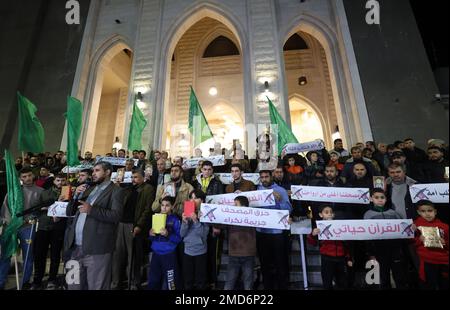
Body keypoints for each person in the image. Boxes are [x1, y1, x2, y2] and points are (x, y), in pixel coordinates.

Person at [65, 162, 125, 290]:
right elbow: (69, 212)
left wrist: (91, 210)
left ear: (108, 172)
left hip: (97, 249)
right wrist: (75, 196)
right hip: (75, 248)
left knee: (96, 286)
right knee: (73, 285)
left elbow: (116, 216)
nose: (93, 174)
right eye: (93, 171)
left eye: (97, 170)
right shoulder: (89, 189)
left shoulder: (116, 191)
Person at [0, 167, 44, 290]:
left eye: (29, 175)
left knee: (28, 256)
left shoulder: (40, 191)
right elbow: (5, 209)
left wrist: (31, 218)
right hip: (11, 227)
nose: (27, 178)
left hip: (28, 228)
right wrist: (11, 223)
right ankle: (1, 282)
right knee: (5, 255)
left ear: (33, 175)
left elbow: (42, 210)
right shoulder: (13, 191)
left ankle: (25, 282)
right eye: (24, 177)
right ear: (20, 178)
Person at [111, 169, 155, 290]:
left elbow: (147, 209)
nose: (133, 179)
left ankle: (134, 283)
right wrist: (117, 187)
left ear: (142, 178)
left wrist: (139, 225)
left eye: (136, 177)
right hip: (121, 224)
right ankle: (116, 282)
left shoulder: (148, 189)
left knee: (134, 257)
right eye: (132, 177)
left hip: (134, 225)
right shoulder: (128, 189)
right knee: (118, 255)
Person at [363, 189, 408, 289]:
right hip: (379, 249)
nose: (380, 200)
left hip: (395, 249)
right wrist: (371, 252)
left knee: (399, 276)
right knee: (383, 276)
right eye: (376, 197)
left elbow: (402, 230)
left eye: (382, 197)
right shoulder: (368, 215)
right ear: (371, 199)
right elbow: (366, 235)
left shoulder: (394, 213)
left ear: (386, 199)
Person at [256, 170, 292, 290]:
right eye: (262, 177)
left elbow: (288, 208)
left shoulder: (280, 190)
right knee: (264, 263)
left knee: (280, 262)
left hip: (277, 233)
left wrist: (278, 201)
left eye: (266, 177)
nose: (264, 179)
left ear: (271, 177)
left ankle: (282, 286)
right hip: (261, 232)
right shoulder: (257, 191)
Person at [31, 174, 68, 290]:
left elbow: (70, 209)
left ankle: (52, 278)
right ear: (54, 181)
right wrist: (44, 208)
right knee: (39, 255)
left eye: (63, 180)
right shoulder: (44, 192)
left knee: (55, 255)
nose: (60, 182)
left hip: (58, 228)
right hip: (43, 226)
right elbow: (35, 208)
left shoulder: (68, 193)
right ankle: (37, 280)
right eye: (58, 180)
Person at [192, 160, 224, 289]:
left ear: (212, 171)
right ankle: (200, 279)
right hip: (197, 220)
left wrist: (217, 224)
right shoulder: (194, 183)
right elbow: (190, 201)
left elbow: (220, 203)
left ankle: (212, 280)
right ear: (201, 170)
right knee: (199, 251)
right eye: (205, 169)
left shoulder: (218, 183)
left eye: (209, 169)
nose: (207, 171)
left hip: (211, 220)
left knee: (212, 252)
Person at [309, 205, 352, 289]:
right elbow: (312, 243)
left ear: (333, 214)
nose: (329, 214)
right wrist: (313, 235)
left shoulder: (340, 226)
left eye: (331, 212)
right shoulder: (318, 227)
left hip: (341, 259)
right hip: (327, 259)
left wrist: (349, 258)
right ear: (321, 215)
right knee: (327, 282)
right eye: (326, 212)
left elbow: (346, 244)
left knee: (342, 282)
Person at [413, 200, 449, 290]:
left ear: (435, 212)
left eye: (430, 211)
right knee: (429, 285)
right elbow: (411, 243)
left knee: (444, 284)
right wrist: (419, 240)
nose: (427, 214)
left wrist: (445, 242)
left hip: (444, 261)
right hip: (428, 261)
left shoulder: (444, 226)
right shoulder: (415, 226)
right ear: (418, 212)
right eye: (423, 211)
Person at [148, 196, 182, 290]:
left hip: (169, 254)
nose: (164, 208)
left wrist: (168, 234)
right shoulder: (156, 217)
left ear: (172, 206)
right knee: (153, 280)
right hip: (156, 253)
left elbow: (179, 238)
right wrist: (151, 234)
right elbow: (152, 238)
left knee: (171, 282)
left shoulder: (175, 220)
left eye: (167, 205)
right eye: (162, 205)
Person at [224, 196, 257, 290]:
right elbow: (219, 224)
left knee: (246, 282)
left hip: (247, 254)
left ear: (243, 206)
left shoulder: (254, 216)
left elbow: (268, 222)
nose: (233, 206)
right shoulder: (230, 216)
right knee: (234, 282)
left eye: (235, 204)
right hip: (236, 254)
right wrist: (204, 216)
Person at [180, 190, 210, 290]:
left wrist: (196, 221)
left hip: (200, 251)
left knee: (200, 280)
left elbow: (204, 234)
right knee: (188, 280)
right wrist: (184, 222)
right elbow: (182, 234)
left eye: (196, 198)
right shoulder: (186, 211)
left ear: (201, 200)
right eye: (191, 198)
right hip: (187, 251)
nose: (193, 200)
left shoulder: (205, 213)